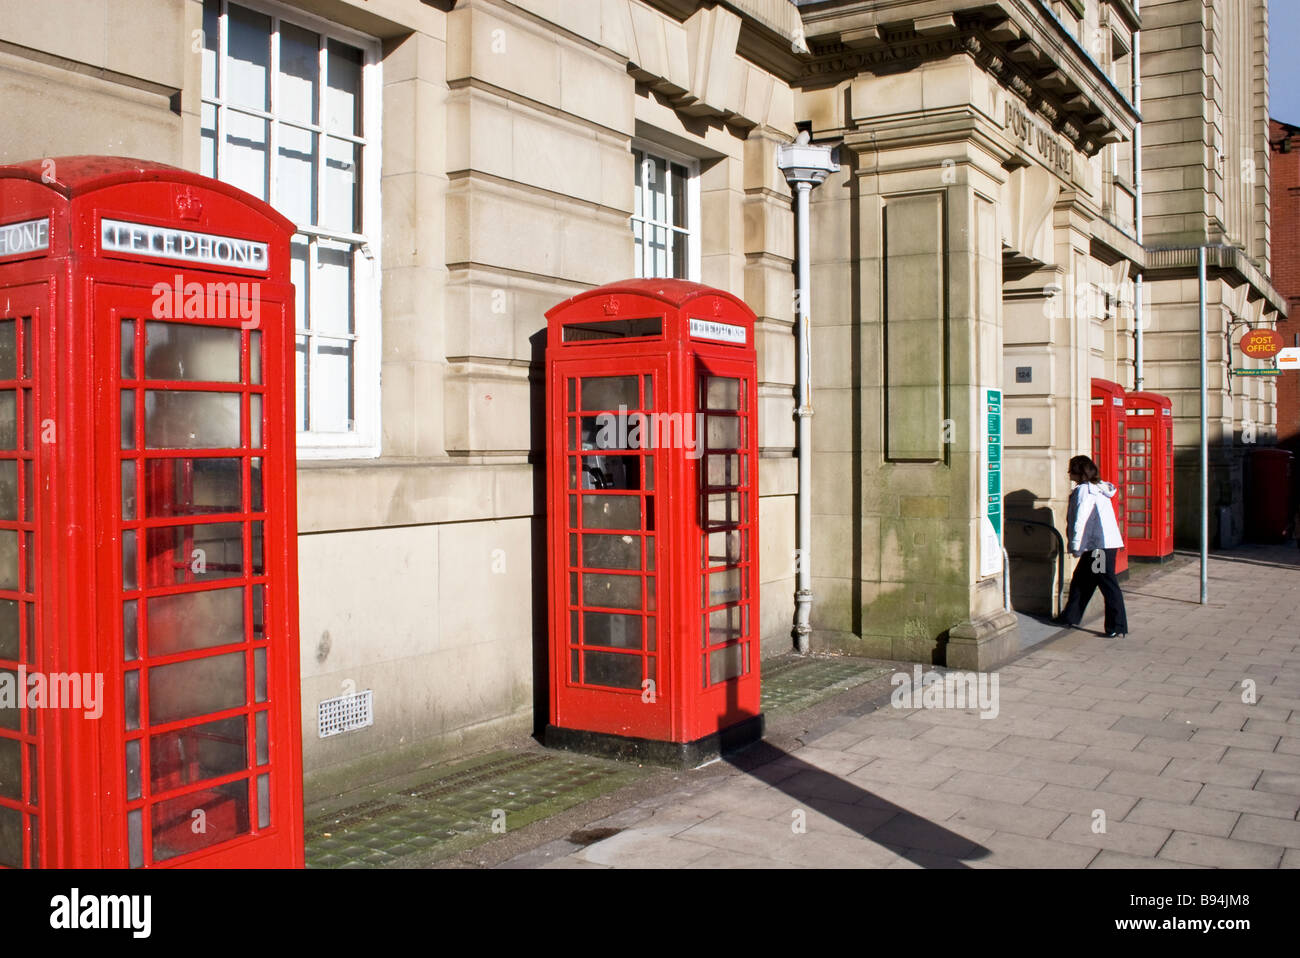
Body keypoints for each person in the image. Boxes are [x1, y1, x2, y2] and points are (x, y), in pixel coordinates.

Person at [1054, 454, 1129, 637]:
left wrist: (1075, 546)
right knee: (1081, 581)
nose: (1068, 472)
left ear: (1078, 473)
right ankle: (1069, 617)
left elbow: (1081, 520)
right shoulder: (1097, 488)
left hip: (1098, 548)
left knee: (1107, 584)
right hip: (1101, 545)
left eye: (1071, 469)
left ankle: (1116, 626)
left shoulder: (1085, 491)